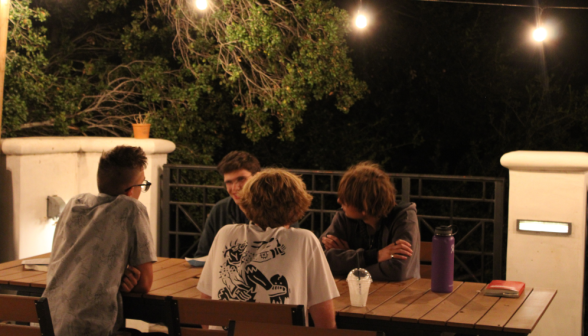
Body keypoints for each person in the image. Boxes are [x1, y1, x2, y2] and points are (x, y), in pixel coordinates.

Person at [197, 168, 339, 329]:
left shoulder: (225, 234)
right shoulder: (304, 240)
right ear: (298, 205)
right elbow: (324, 318)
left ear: (246, 204)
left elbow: (206, 304)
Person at [42, 145, 158, 336]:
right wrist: (121, 278)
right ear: (130, 191)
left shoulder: (74, 204)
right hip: (94, 328)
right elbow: (145, 283)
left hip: (51, 324)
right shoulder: (131, 208)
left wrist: (111, 274)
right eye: (142, 185)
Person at [320, 162, 420, 282]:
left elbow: (397, 271)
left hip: (397, 295)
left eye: (347, 198)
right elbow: (320, 260)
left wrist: (347, 262)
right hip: (352, 292)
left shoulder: (404, 218)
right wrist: (375, 256)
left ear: (364, 206)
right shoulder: (344, 216)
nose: (339, 200)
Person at [193, 151, 260, 258]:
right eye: (229, 182)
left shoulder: (277, 208)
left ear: (257, 178)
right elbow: (202, 255)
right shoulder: (220, 209)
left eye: (241, 179)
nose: (235, 188)